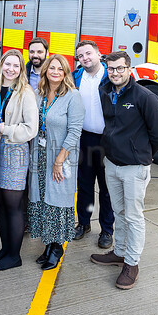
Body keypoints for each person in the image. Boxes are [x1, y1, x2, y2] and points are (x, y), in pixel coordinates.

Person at [90, 51, 158, 290]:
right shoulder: (105, 92)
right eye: (111, 69)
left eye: (120, 68)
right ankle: (120, 252)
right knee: (118, 211)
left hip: (134, 167)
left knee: (134, 216)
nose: (115, 73)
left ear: (129, 69)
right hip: (112, 163)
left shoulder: (145, 97)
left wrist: (142, 154)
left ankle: (132, 263)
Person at [28, 54, 84, 271]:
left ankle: (57, 248)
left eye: (60, 69)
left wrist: (59, 161)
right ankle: (48, 245)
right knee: (43, 199)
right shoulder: (39, 94)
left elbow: (75, 131)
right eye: (52, 68)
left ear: (65, 73)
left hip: (59, 157)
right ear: (45, 71)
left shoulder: (73, 96)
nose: (55, 72)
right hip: (39, 156)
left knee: (58, 202)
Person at [0, 50, 38, 271]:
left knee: (13, 204)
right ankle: (5, 248)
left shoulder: (25, 92)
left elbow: (32, 128)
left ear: (21, 69)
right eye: (7, 64)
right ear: (1, 65)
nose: (10, 69)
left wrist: (4, 129)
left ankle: (14, 256)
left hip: (15, 152)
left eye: (15, 65)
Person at [72, 40, 114, 250]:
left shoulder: (110, 76)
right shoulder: (76, 77)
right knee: (85, 185)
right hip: (84, 139)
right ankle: (84, 223)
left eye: (89, 53)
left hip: (107, 142)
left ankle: (107, 229)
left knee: (107, 189)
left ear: (99, 54)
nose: (85, 58)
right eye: (81, 55)